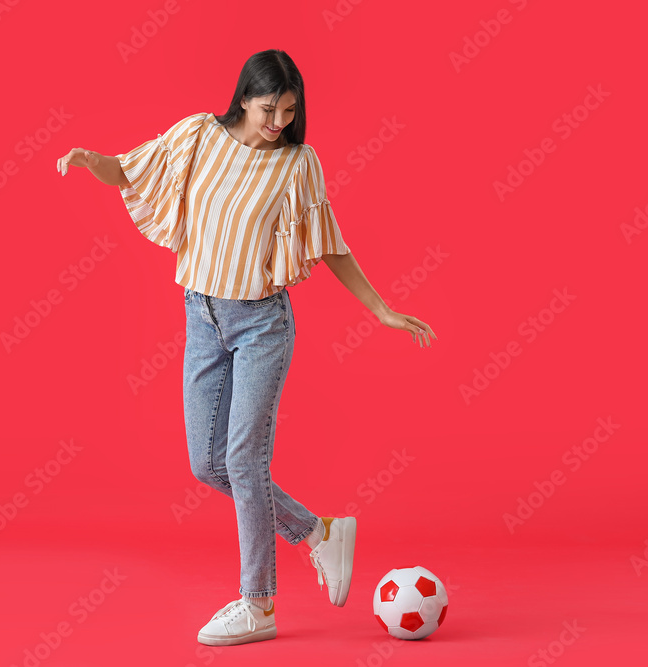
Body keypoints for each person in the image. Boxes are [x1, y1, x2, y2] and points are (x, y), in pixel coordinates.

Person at [56, 48, 436, 646]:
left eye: (288, 110)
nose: (278, 122)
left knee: (242, 460)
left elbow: (329, 240)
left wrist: (381, 309)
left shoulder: (296, 163)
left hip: (262, 324)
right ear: (243, 98)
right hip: (201, 315)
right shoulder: (197, 137)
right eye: (269, 108)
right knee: (206, 462)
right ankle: (319, 534)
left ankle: (258, 603)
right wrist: (89, 161)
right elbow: (130, 169)